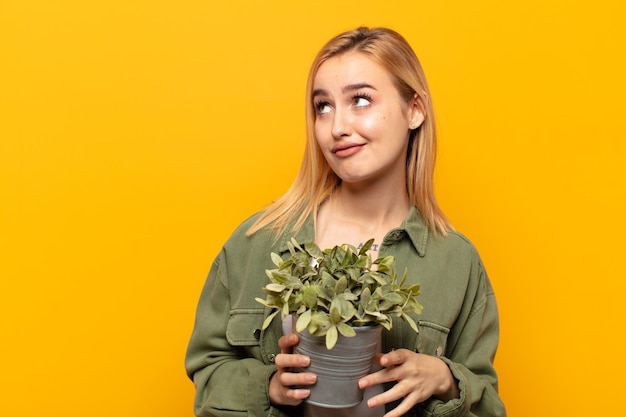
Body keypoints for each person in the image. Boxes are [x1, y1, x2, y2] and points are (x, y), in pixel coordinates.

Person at [185, 26, 506, 417]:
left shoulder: (456, 262)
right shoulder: (256, 243)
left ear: (415, 110)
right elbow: (208, 374)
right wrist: (269, 387)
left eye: (361, 100)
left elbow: (488, 404)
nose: (337, 127)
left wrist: (446, 379)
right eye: (323, 106)